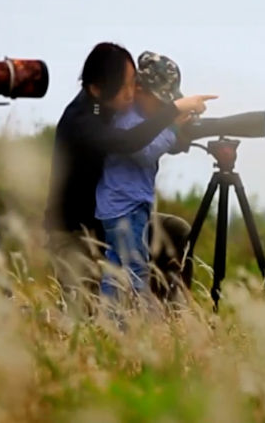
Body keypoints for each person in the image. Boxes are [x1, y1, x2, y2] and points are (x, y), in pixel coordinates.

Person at [43, 42, 215, 312]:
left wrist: (176, 135)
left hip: (114, 217)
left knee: (175, 231)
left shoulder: (109, 106)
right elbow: (130, 142)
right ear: (97, 89)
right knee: (84, 318)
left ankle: (171, 320)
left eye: (133, 82)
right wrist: (170, 116)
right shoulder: (84, 120)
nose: (131, 92)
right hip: (76, 231)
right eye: (125, 88)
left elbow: (145, 134)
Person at [95, 51, 186, 305]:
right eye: (160, 101)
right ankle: (126, 322)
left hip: (123, 204)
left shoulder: (139, 116)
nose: (162, 108)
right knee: (136, 269)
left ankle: (110, 320)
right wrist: (173, 127)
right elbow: (145, 152)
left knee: (117, 266)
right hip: (125, 206)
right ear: (140, 90)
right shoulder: (128, 117)